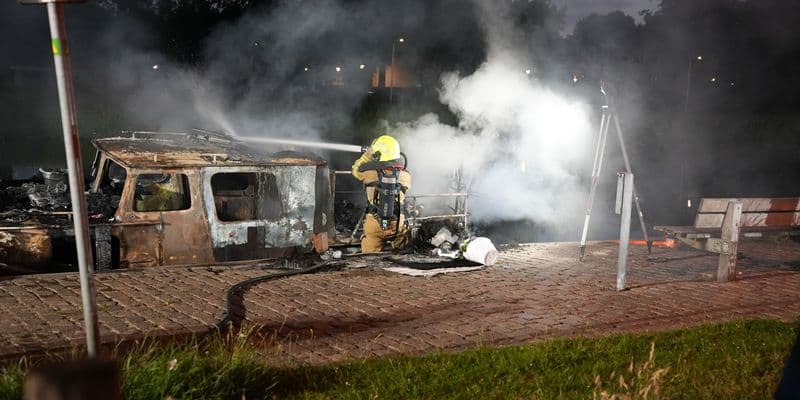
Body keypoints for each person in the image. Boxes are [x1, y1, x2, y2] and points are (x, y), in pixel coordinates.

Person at [351, 134, 412, 253]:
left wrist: (367, 155)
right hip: (397, 225)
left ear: (378, 153)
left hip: (374, 225)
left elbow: (355, 170)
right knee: (404, 250)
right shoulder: (406, 176)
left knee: (369, 258)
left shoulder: (368, 172)